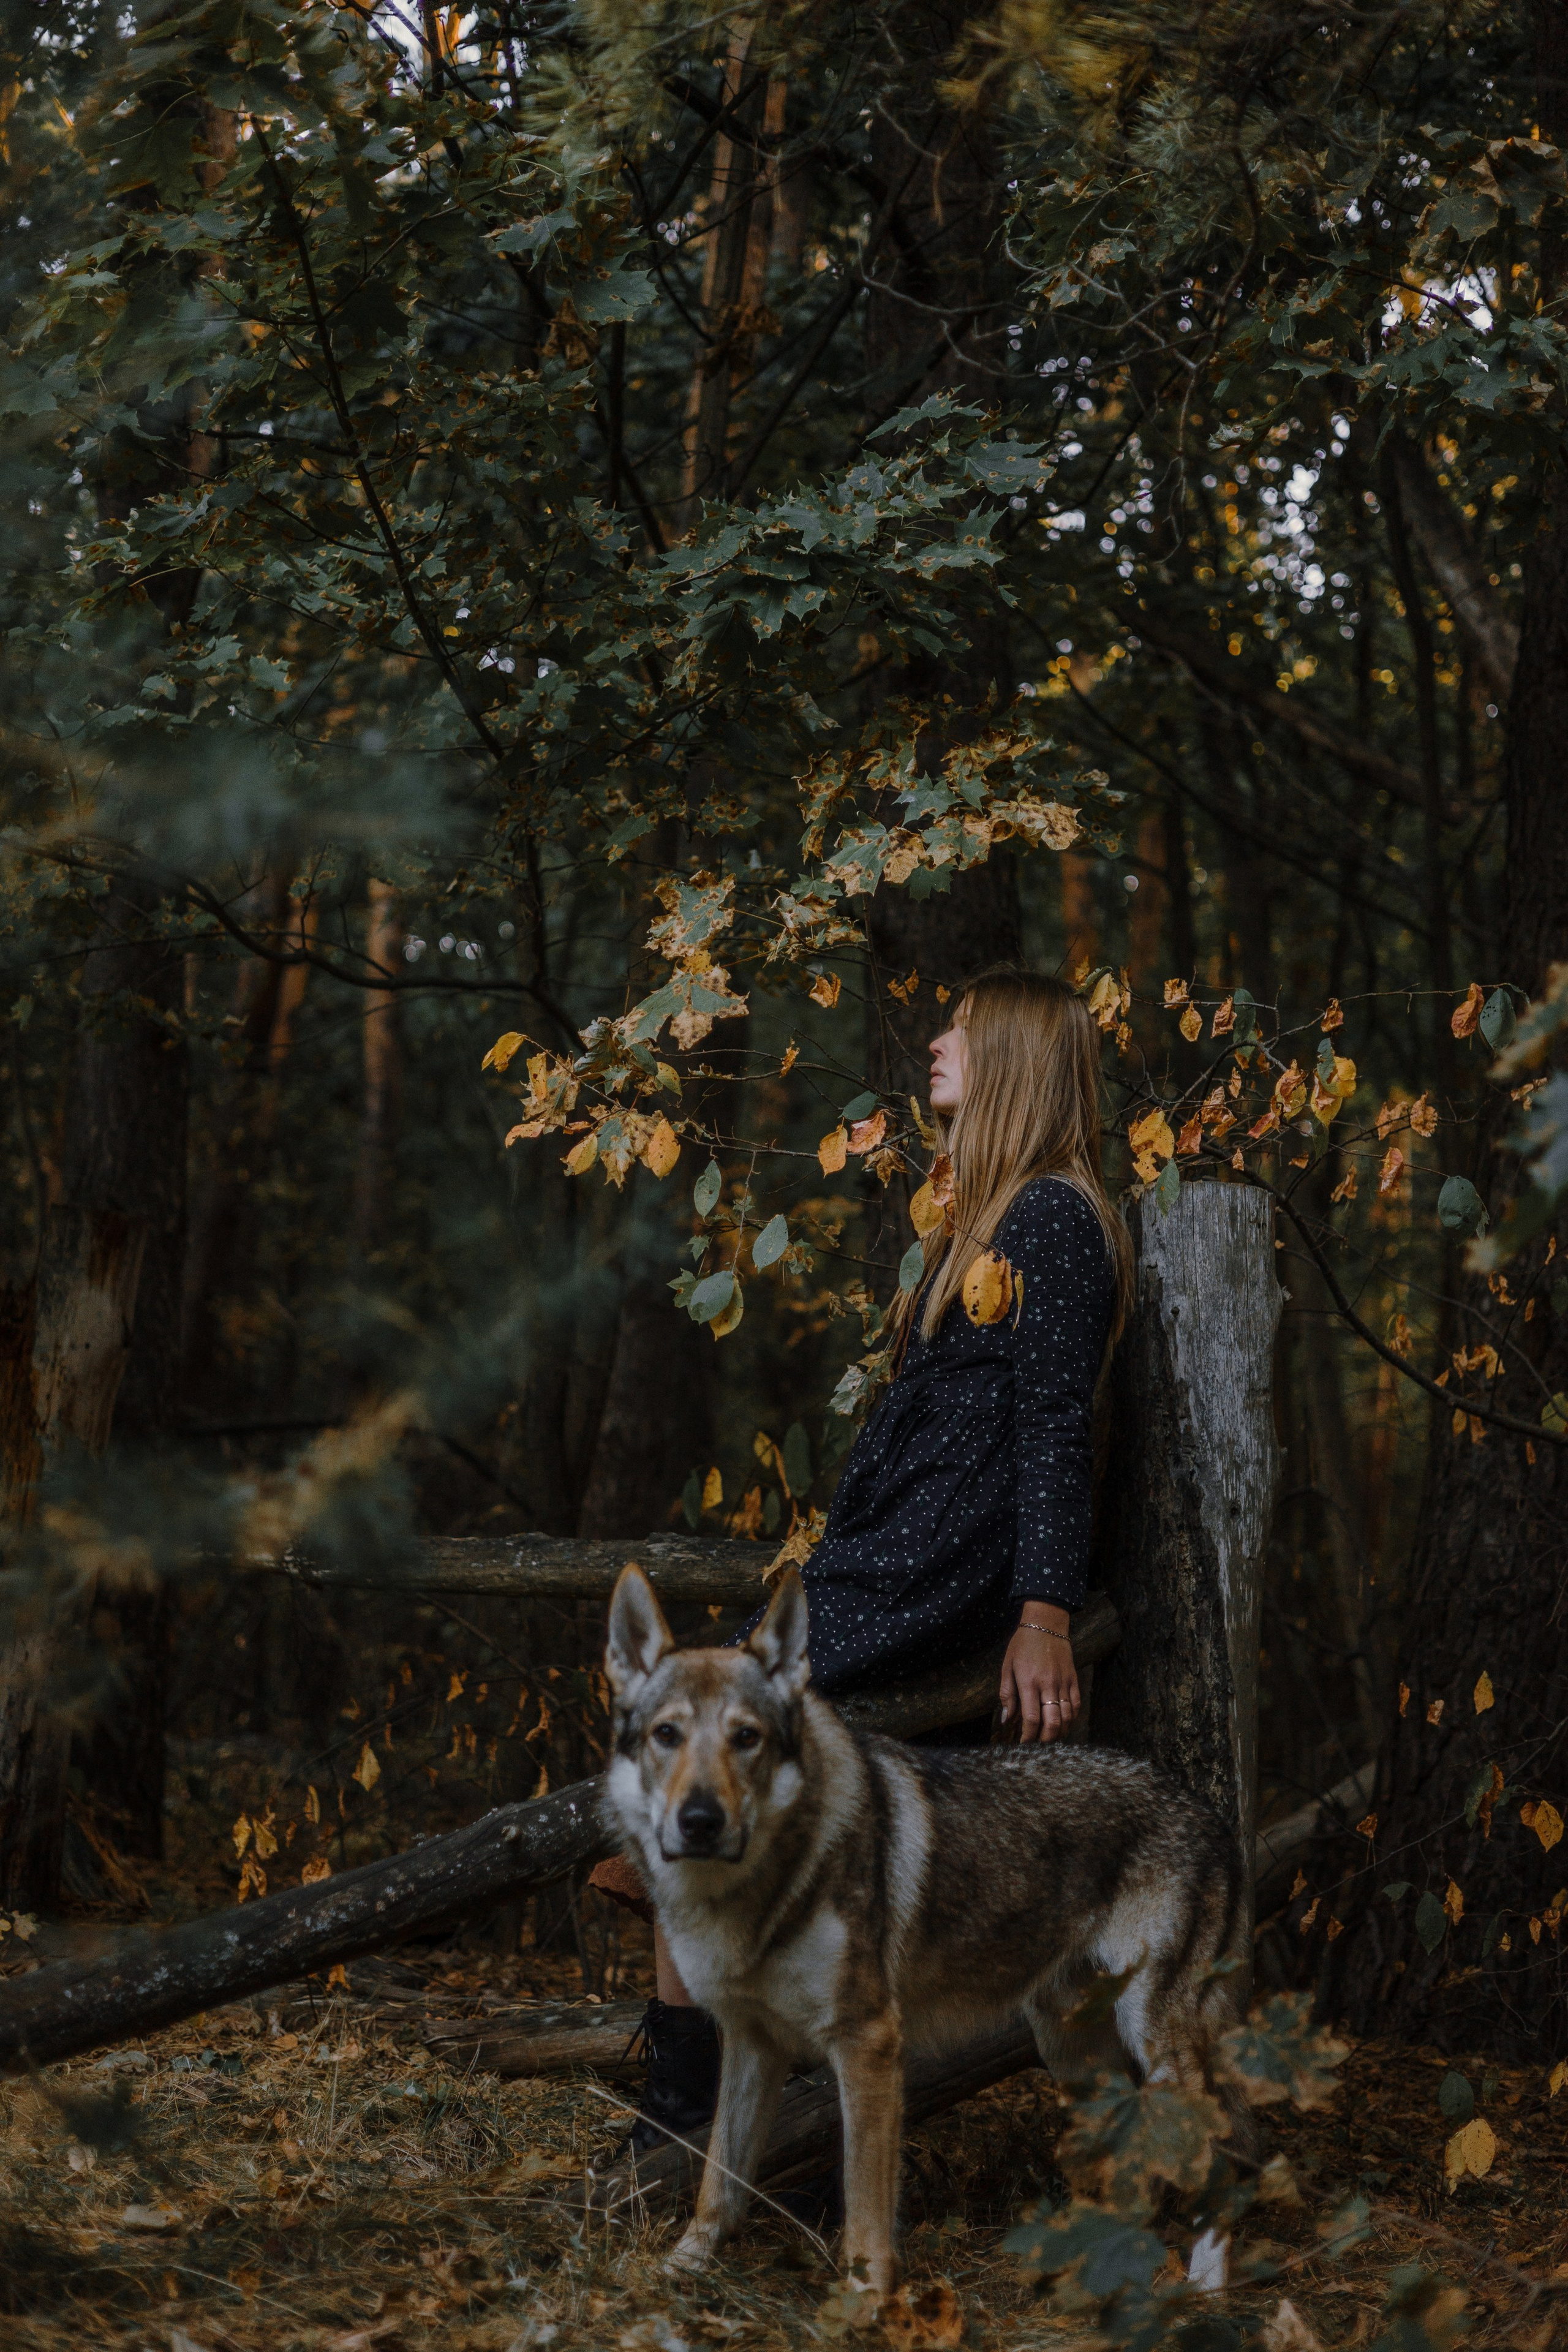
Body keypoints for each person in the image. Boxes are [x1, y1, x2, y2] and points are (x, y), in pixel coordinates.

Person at [590, 967, 1134, 2165]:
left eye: (960, 1029)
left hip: (936, 1567)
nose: (935, 1043)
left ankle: (676, 2133)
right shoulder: (978, 1223)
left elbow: (1053, 1424)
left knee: (725, 1721)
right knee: (720, 1778)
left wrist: (1040, 1609)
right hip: (894, 1550)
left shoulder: (1051, 1216)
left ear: (1012, 1065)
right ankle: (686, 2114)